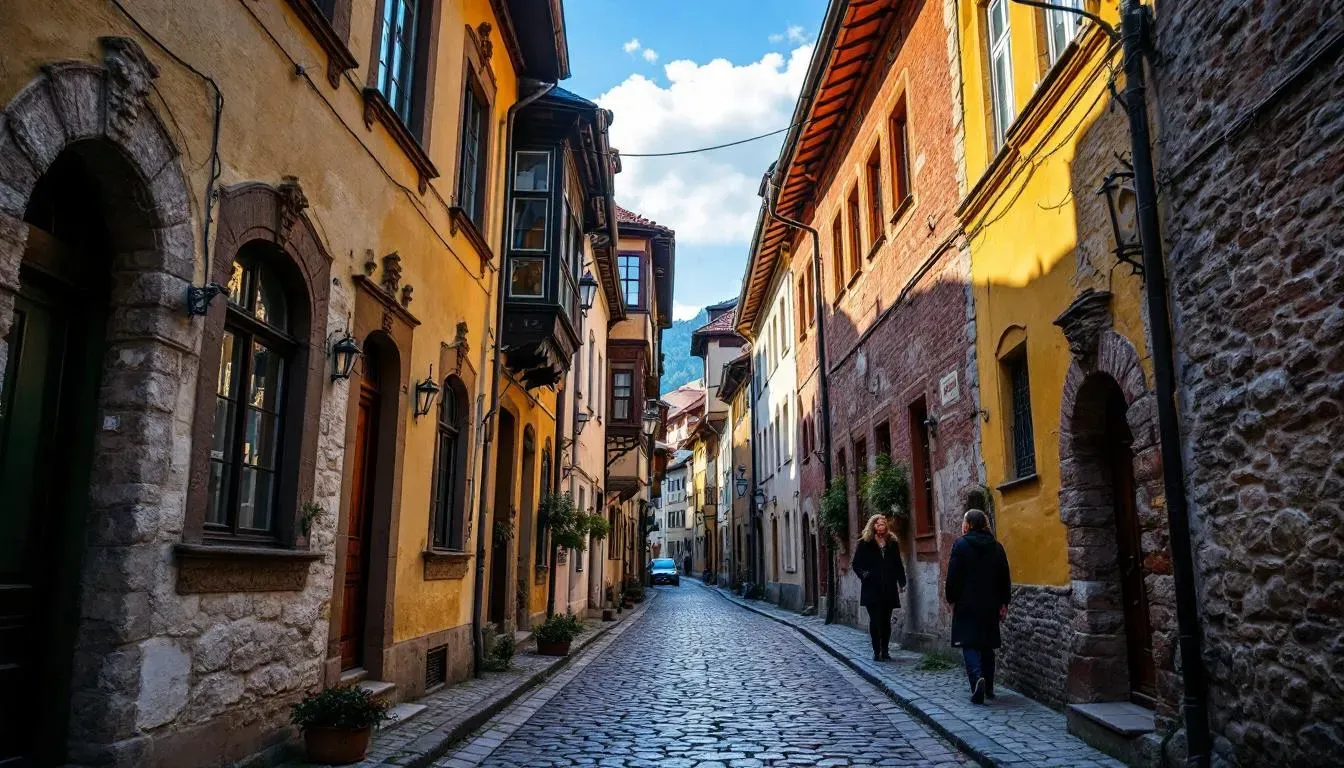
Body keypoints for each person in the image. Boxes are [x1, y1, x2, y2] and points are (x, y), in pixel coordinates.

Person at [945, 508, 1012, 704]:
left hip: (966, 602)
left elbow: (953, 576)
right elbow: (1004, 577)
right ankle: (989, 687)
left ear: (968, 524)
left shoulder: (960, 545)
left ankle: (977, 679)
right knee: (987, 645)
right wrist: (1004, 602)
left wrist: (951, 598)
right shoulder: (997, 547)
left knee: (969, 642)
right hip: (990, 602)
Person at [852, 513, 907, 661]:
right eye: (877, 524)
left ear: (886, 526)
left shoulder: (892, 542)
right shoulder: (865, 543)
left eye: (883, 523)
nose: (880, 526)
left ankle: (885, 650)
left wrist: (902, 582)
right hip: (872, 588)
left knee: (886, 621)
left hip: (888, 587)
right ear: (873, 526)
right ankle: (876, 650)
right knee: (875, 620)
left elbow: (898, 564)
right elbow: (856, 564)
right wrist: (865, 575)